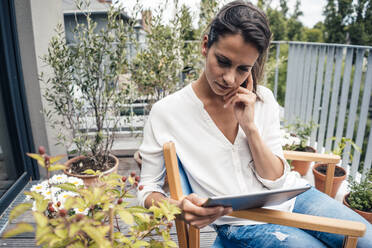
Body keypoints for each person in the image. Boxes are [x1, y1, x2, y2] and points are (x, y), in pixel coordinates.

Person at [137, 1, 372, 247]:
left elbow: (276, 179)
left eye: (243, 69)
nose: (230, 78)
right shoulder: (167, 112)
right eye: (223, 61)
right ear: (205, 45)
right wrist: (178, 208)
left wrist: (250, 127)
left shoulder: (263, 99)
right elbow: (147, 188)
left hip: (295, 197)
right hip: (240, 222)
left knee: (367, 239)